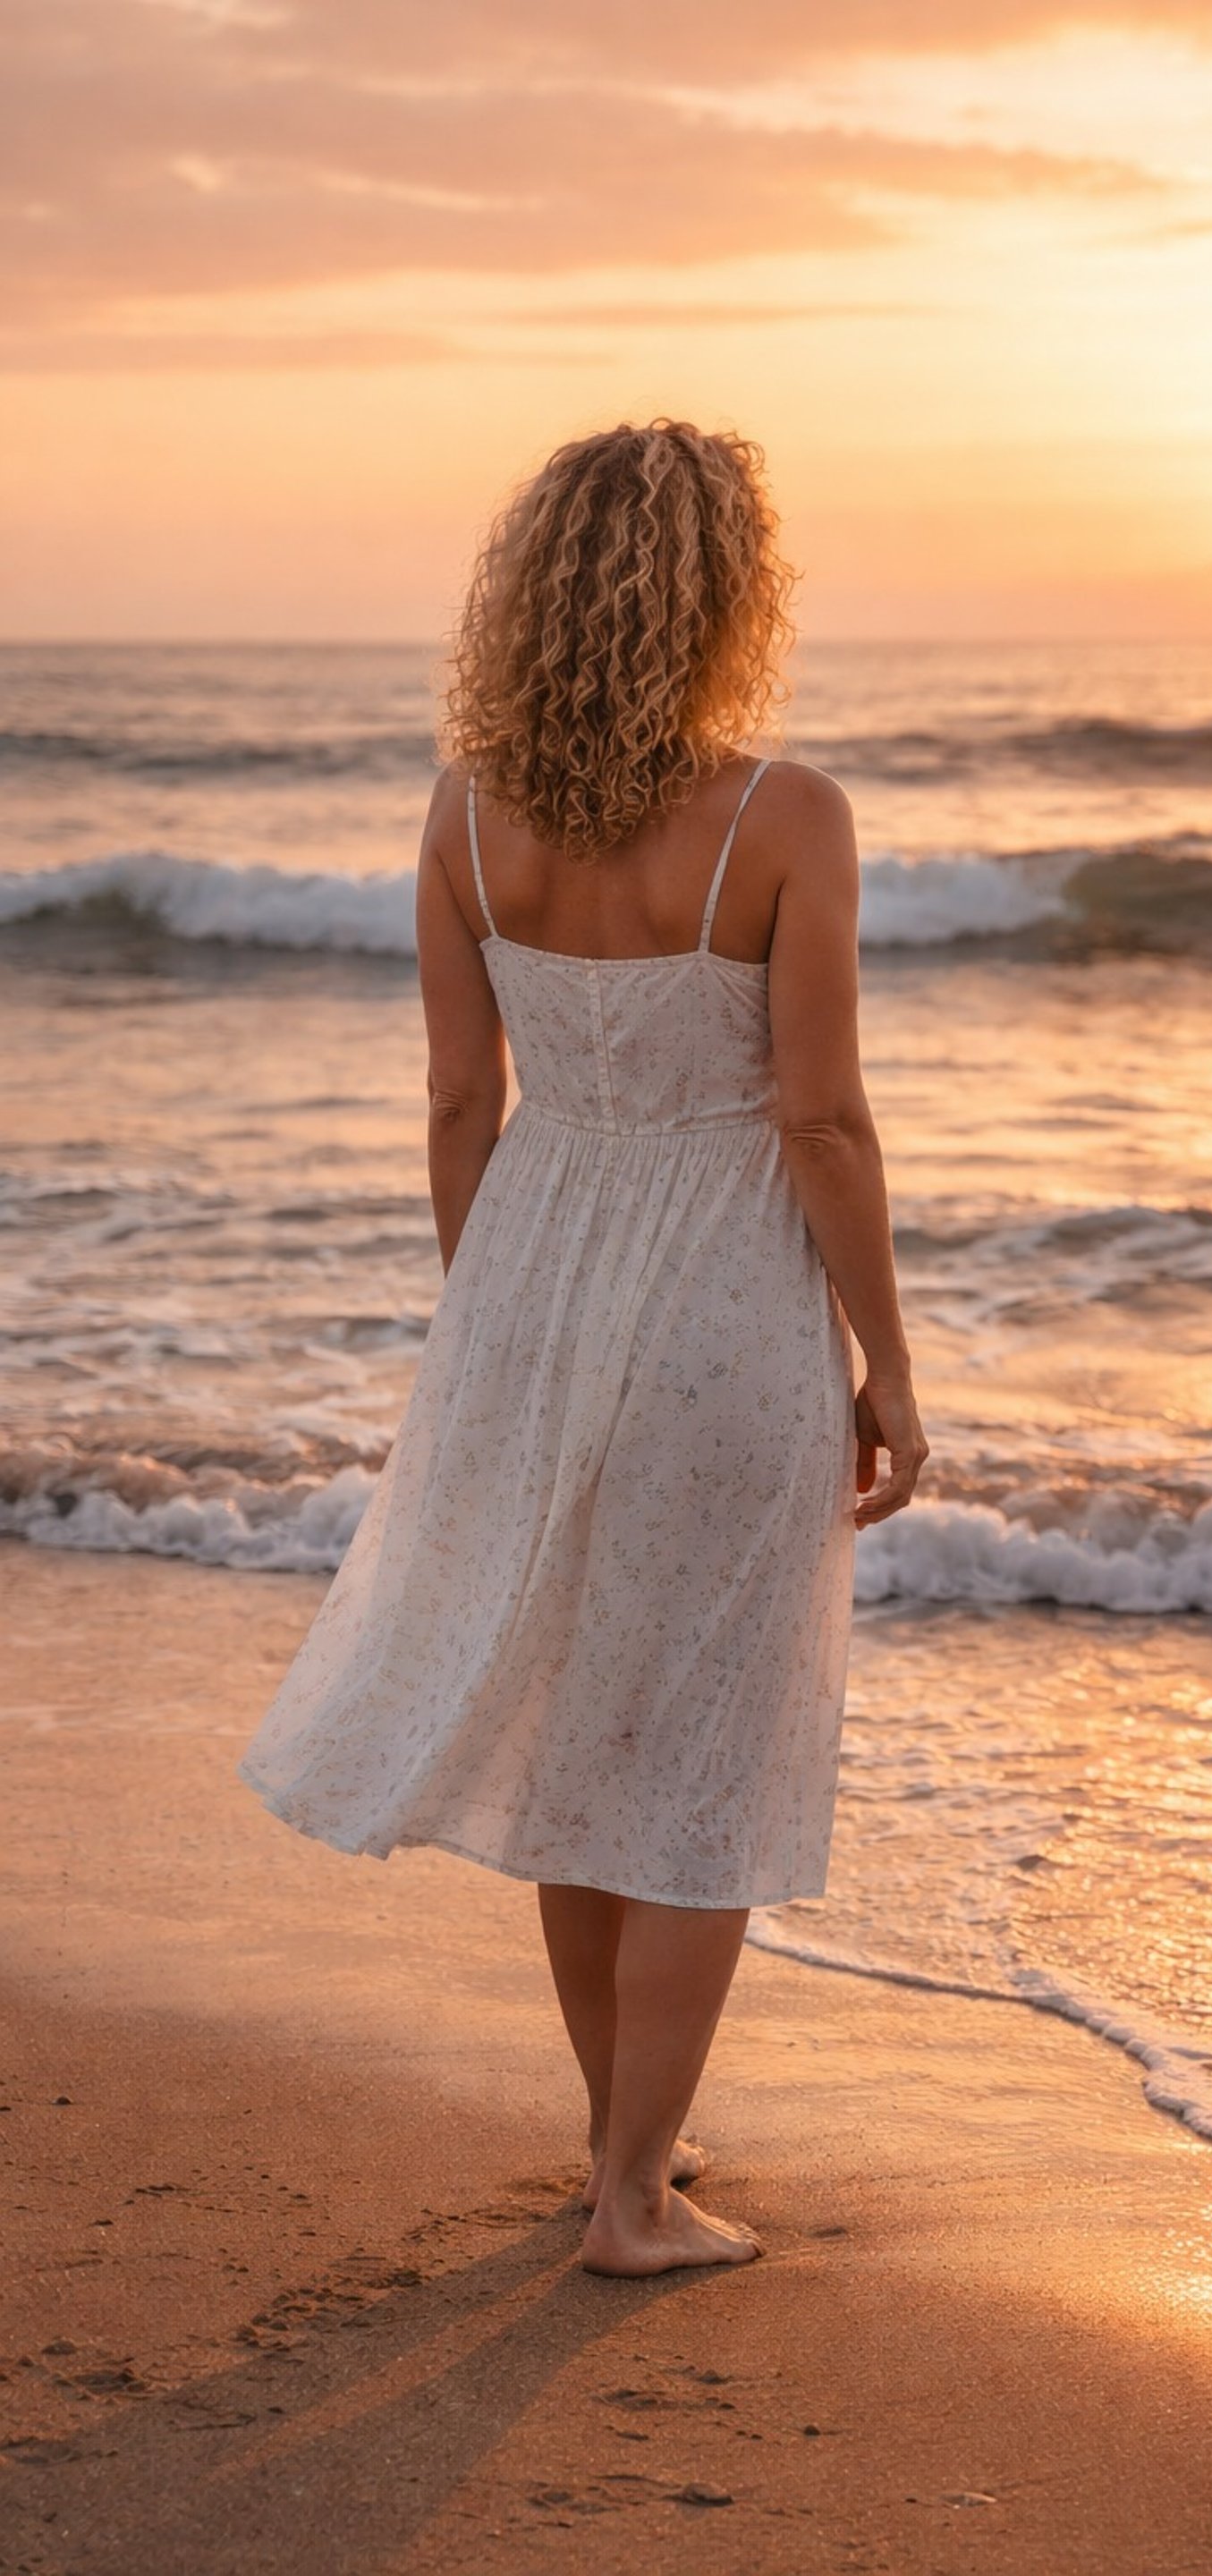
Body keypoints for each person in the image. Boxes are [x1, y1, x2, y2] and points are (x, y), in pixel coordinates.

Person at [239, 420, 926, 2275]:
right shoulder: (786, 819)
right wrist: (893, 1366)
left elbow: (462, 1102)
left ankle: (624, 2148)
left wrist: (503, 1338)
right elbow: (823, 1121)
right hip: (724, 1309)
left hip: (530, 1287)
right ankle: (634, 2194)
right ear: (724, 593)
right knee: (697, 1753)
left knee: (577, 1747)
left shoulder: (467, 814)